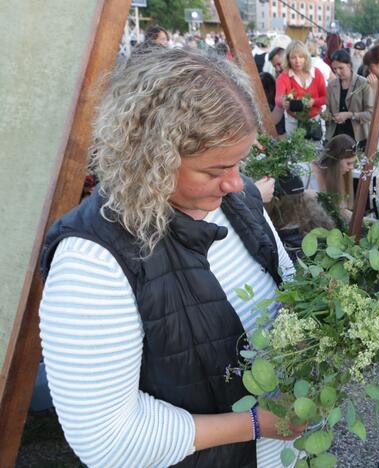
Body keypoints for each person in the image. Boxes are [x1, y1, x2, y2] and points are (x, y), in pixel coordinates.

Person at [38, 47, 302, 467]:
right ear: (150, 160)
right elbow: (106, 439)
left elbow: (290, 289)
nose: (236, 183)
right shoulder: (91, 261)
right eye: (215, 171)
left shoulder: (239, 202)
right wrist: (254, 423)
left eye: (240, 162)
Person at [276, 40, 327, 136]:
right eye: (293, 57)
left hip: (314, 121)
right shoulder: (284, 77)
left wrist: (314, 101)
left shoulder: (316, 73)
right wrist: (283, 102)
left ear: (306, 58)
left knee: (314, 150)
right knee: (295, 150)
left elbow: (325, 97)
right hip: (293, 122)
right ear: (288, 59)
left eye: (301, 57)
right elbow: (278, 98)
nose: (297, 61)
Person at [324, 48, 374, 144]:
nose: (337, 72)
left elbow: (370, 114)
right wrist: (329, 116)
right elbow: (327, 109)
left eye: (341, 68)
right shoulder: (331, 85)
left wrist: (350, 115)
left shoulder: (363, 84)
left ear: (349, 65)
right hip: (336, 136)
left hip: (358, 137)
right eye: (334, 69)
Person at [312, 134, 359, 223]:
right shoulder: (308, 173)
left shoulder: (340, 177)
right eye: (348, 163)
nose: (351, 168)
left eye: (353, 163)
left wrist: (365, 221)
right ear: (335, 161)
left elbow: (340, 211)